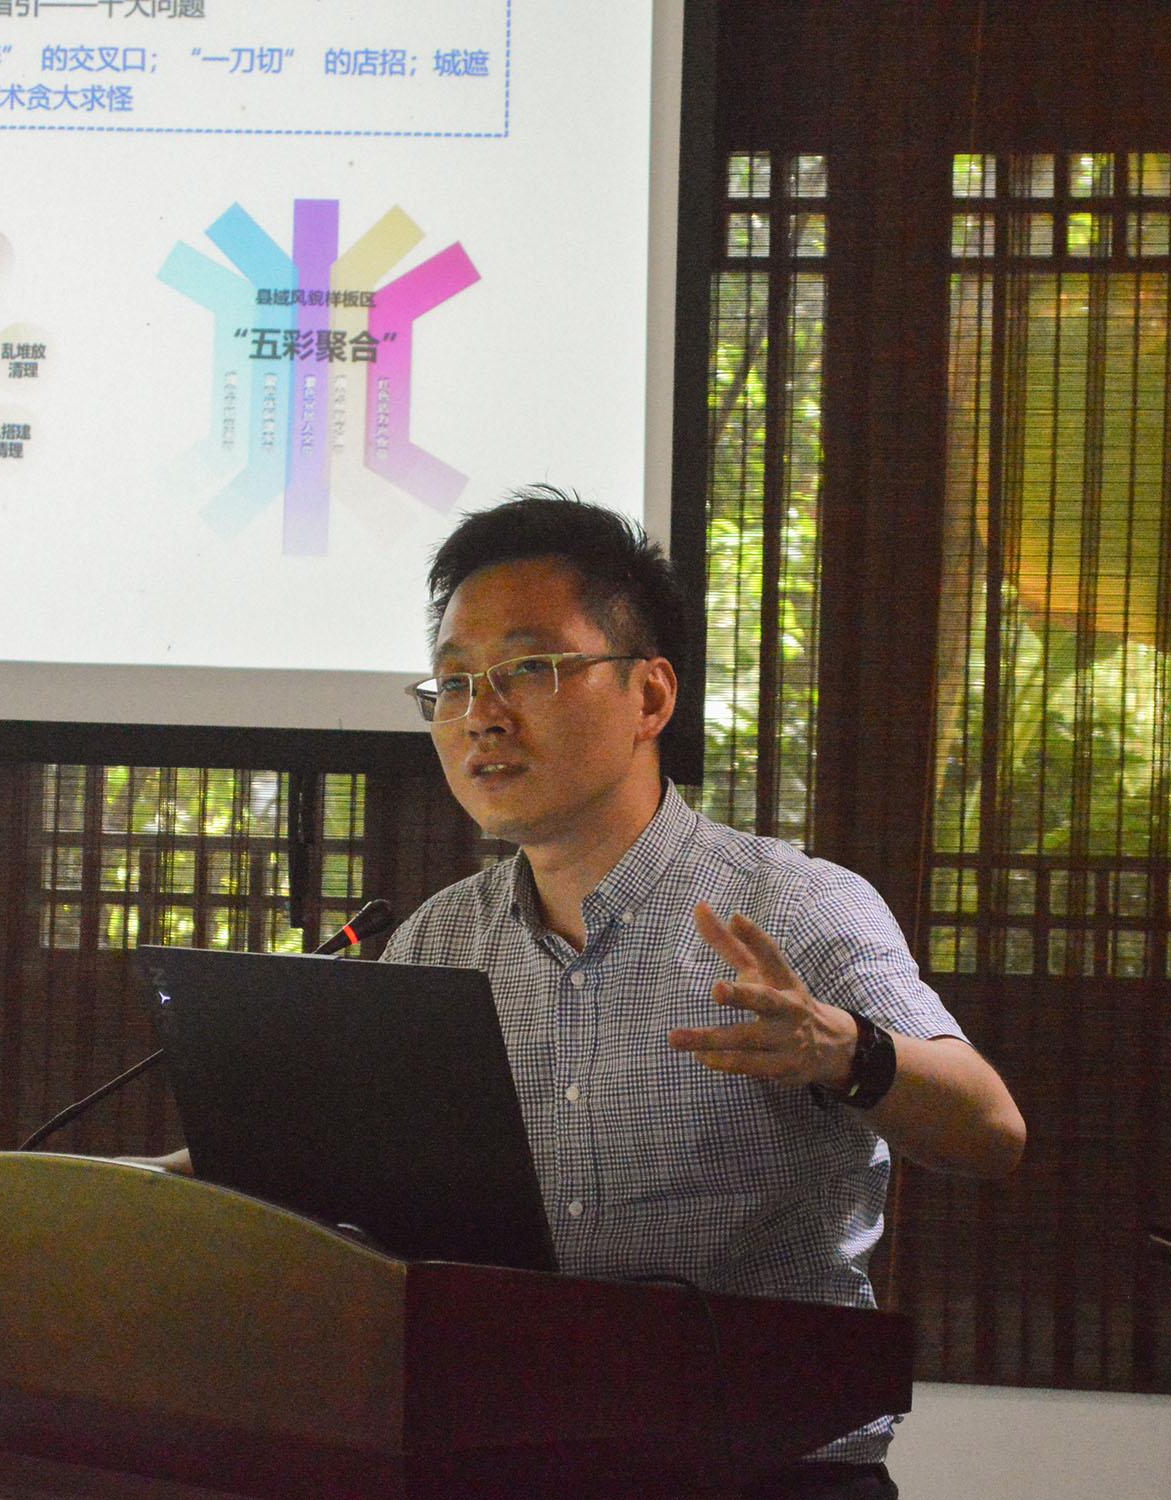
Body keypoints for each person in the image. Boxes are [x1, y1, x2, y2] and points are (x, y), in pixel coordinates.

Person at [376, 486, 1026, 1500]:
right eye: (455, 683)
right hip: (509, 1467)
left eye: (530, 669)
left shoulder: (791, 906)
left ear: (650, 698)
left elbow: (991, 1130)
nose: (482, 715)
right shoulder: (437, 941)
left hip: (763, 1476)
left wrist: (845, 1054)